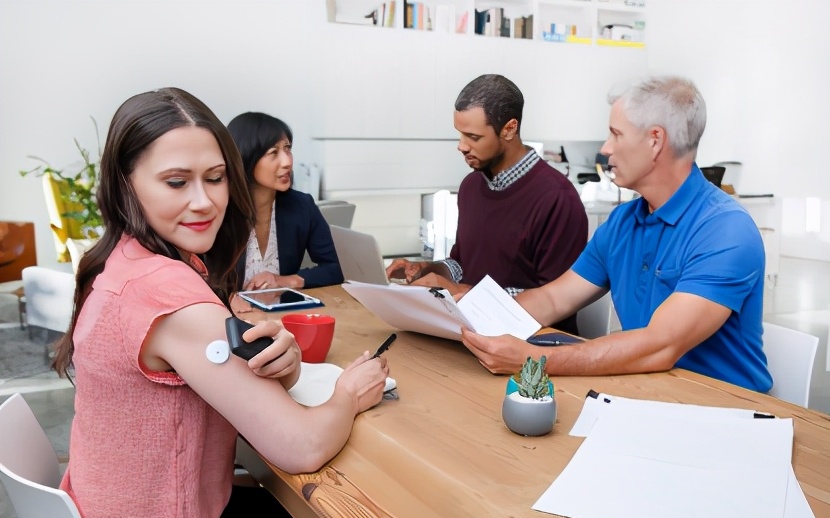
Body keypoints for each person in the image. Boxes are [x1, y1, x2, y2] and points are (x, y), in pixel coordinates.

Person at [52, 88, 389, 518]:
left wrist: (283, 368)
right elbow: (302, 445)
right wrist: (350, 393)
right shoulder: (168, 295)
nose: (205, 202)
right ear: (125, 183)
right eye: (176, 182)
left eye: (215, 178)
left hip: (118, 515)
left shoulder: (126, 261)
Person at [462, 76, 772, 393]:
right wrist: (468, 318)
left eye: (615, 134)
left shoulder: (726, 229)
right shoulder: (623, 221)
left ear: (655, 141)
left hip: (728, 408)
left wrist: (536, 359)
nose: (606, 149)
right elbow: (554, 298)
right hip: (651, 394)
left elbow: (659, 346)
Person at [385, 74, 588, 335]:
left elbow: (557, 300)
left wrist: (465, 292)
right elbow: (463, 265)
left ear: (509, 129)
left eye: (473, 137)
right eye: (460, 134)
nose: (462, 146)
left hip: (529, 348)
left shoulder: (557, 198)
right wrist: (429, 270)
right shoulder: (472, 187)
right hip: (472, 333)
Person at [228, 112, 343, 294]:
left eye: (288, 149)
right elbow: (198, 276)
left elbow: (338, 267)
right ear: (245, 157)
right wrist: (227, 297)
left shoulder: (301, 205)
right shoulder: (220, 209)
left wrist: (288, 280)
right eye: (273, 152)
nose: (287, 162)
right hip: (225, 316)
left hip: (282, 315)